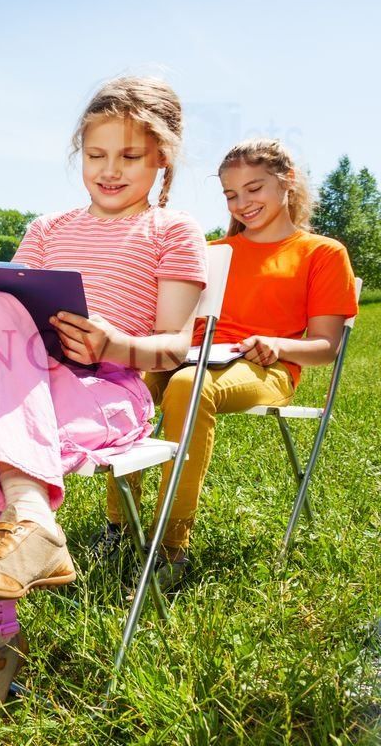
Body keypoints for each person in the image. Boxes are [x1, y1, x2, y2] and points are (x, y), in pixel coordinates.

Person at [0, 77, 208, 728]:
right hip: (23, 379)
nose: (109, 170)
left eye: (129, 156)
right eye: (95, 154)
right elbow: (6, 308)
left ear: (162, 158)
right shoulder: (48, 229)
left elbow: (174, 347)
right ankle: (30, 521)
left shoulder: (172, 231)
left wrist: (116, 344)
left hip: (108, 389)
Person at [97, 138, 358, 585]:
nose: (243, 204)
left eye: (254, 189)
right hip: (193, 354)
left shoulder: (321, 252)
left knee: (189, 386)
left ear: (287, 182)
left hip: (267, 368)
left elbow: (325, 346)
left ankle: (170, 546)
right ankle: (120, 525)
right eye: (231, 195)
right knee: (126, 378)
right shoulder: (211, 251)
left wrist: (277, 345)